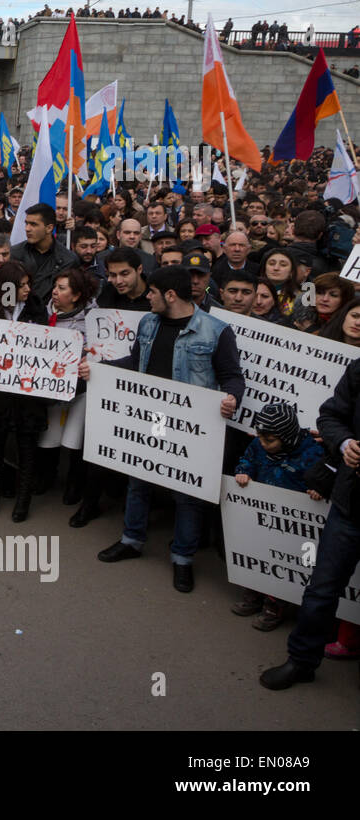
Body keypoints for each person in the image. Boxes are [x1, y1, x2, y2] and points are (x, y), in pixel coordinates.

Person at [95, 266, 244, 593]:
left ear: (170, 295)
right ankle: (131, 540)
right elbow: (134, 364)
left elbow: (232, 375)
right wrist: (98, 369)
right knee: (138, 480)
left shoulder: (216, 331)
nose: (147, 297)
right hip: (147, 417)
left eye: (152, 292)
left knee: (187, 493)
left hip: (191, 428)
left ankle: (182, 559)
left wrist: (232, 397)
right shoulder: (148, 323)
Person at [260, 358, 360, 689]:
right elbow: (330, 416)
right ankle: (301, 662)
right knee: (321, 589)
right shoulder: (359, 369)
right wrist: (346, 444)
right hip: (350, 506)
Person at [229, 402, 325, 632]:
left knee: (281, 561)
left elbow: (323, 476)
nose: (263, 444)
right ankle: (252, 592)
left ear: (288, 436)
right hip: (261, 516)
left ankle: (275, 605)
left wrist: (318, 489)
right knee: (257, 554)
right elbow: (248, 459)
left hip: (292, 524)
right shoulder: (258, 444)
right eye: (261, 438)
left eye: (269, 440)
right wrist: (243, 472)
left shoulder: (312, 452)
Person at [0, 262, 46, 519]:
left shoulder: (37, 309)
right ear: (7, 287)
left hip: (27, 391)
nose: (27, 289)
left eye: (28, 284)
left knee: (27, 445)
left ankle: (23, 499)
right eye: (21, 285)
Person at [38, 268, 96, 519]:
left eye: (62, 288)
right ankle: (45, 478)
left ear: (76, 295)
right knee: (48, 437)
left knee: (75, 441)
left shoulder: (92, 318)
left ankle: (75, 485)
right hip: (50, 388)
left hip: (80, 390)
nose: (55, 291)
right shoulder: (43, 312)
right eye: (55, 286)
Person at [10, 203, 76, 304]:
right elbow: (6, 295)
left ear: (49, 228)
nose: (27, 229)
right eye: (26, 223)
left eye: (33, 224)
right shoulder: (14, 253)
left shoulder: (68, 260)